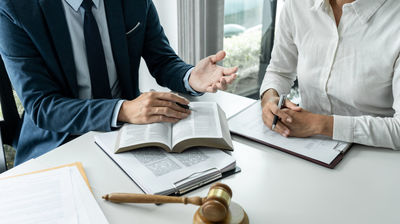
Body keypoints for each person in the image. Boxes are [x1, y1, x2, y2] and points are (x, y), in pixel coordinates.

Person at [0, 0, 238, 165]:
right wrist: (123, 109)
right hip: (59, 142)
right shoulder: (14, 9)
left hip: (129, 134)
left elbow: (162, 59)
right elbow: (43, 107)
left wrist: (191, 77)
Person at [260, 0, 400, 149]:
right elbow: (279, 71)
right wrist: (270, 99)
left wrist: (320, 124)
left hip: (376, 154)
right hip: (305, 147)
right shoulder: (298, 4)